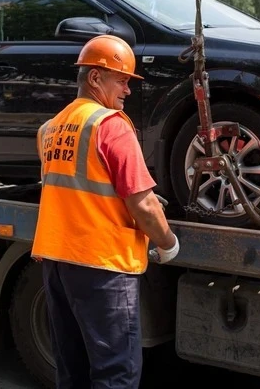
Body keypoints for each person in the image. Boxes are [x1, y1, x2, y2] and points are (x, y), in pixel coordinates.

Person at [31, 34, 179, 389]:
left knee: (73, 370)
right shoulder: (111, 125)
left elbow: (78, 192)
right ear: (95, 78)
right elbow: (142, 203)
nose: (127, 91)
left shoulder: (49, 130)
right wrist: (168, 243)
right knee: (116, 374)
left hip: (57, 262)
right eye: (122, 80)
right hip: (102, 266)